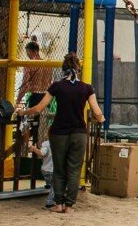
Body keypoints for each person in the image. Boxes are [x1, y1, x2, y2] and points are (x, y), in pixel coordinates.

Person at [19, 53, 104, 214]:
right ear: (78, 69)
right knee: (74, 169)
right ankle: (69, 205)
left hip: (59, 133)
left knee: (59, 168)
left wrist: (24, 112)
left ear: (63, 69)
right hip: (79, 133)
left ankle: (58, 204)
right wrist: (101, 118)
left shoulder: (56, 86)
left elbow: (39, 108)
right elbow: (97, 111)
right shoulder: (87, 88)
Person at [14, 40, 51, 150]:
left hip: (35, 96)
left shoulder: (29, 64)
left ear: (30, 51)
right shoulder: (48, 65)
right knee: (42, 126)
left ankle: (26, 148)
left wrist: (17, 101)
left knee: (25, 124)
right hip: (46, 97)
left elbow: (25, 85)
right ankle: (40, 149)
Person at [28, 138, 56, 209]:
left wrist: (34, 148)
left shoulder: (46, 143)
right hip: (53, 170)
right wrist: (34, 148)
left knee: (49, 180)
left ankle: (48, 184)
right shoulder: (60, 142)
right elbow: (41, 153)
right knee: (55, 186)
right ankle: (49, 203)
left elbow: (41, 153)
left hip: (44, 169)